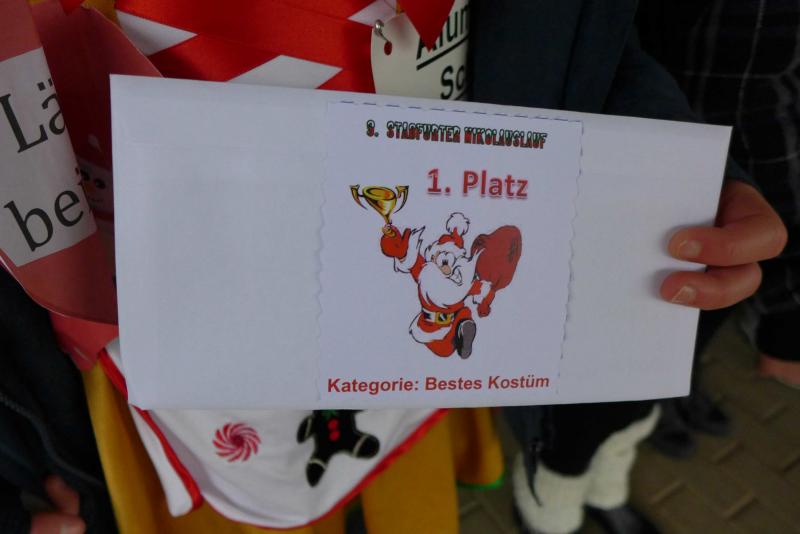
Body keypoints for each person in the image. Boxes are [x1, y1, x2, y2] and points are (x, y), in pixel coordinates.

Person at [468, 1, 788, 533]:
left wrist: (689, 167)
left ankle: (604, 483)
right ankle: (551, 505)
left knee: (641, 381)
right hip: (521, 239)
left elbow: (603, 47)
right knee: (572, 410)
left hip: (617, 210)